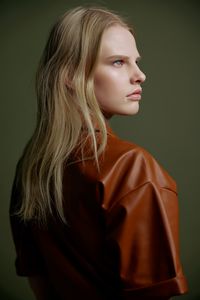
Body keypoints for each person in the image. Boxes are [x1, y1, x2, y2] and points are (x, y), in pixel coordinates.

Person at [10, 6, 189, 300]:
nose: (140, 75)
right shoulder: (131, 166)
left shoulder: (32, 167)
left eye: (136, 61)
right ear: (70, 75)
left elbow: (39, 284)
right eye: (118, 62)